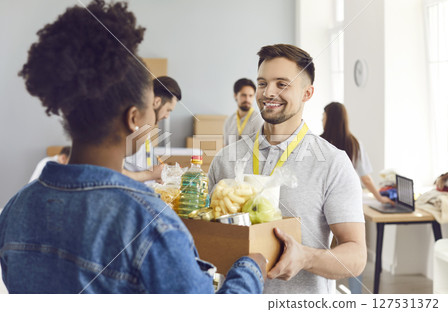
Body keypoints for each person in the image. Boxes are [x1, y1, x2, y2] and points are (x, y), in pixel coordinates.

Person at [0, 0, 266, 294]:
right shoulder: (150, 222)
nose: (156, 118)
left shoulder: (16, 208)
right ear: (133, 118)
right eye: (151, 112)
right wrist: (251, 268)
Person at [208, 44, 367, 294]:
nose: (268, 92)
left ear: (307, 93)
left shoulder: (333, 163)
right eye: (262, 83)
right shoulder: (225, 159)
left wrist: (306, 257)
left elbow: (356, 255)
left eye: (282, 84)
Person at [321, 102, 395, 206]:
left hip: (323, 198)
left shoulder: (319, 143)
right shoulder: (354, 144)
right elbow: (366, 179)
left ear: (330, 120)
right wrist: (379, 198)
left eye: (323, 117)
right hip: (348, 199)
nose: (322, 121)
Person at [122, 76, 182, 182]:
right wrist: (150, 175)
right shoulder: (131, 126)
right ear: (157, 102)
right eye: (168, 110)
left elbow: (144, 169)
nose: (167, 116)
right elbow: (116, 173)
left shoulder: (147, 128)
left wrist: (158, 174)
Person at [223, 78, 264, 146]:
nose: (247, 99)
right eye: (243, 95)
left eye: (250, 96)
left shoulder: (258, 120)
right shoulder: (229, 121)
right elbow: (225, 148)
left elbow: (261, 148)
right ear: (235, 96)